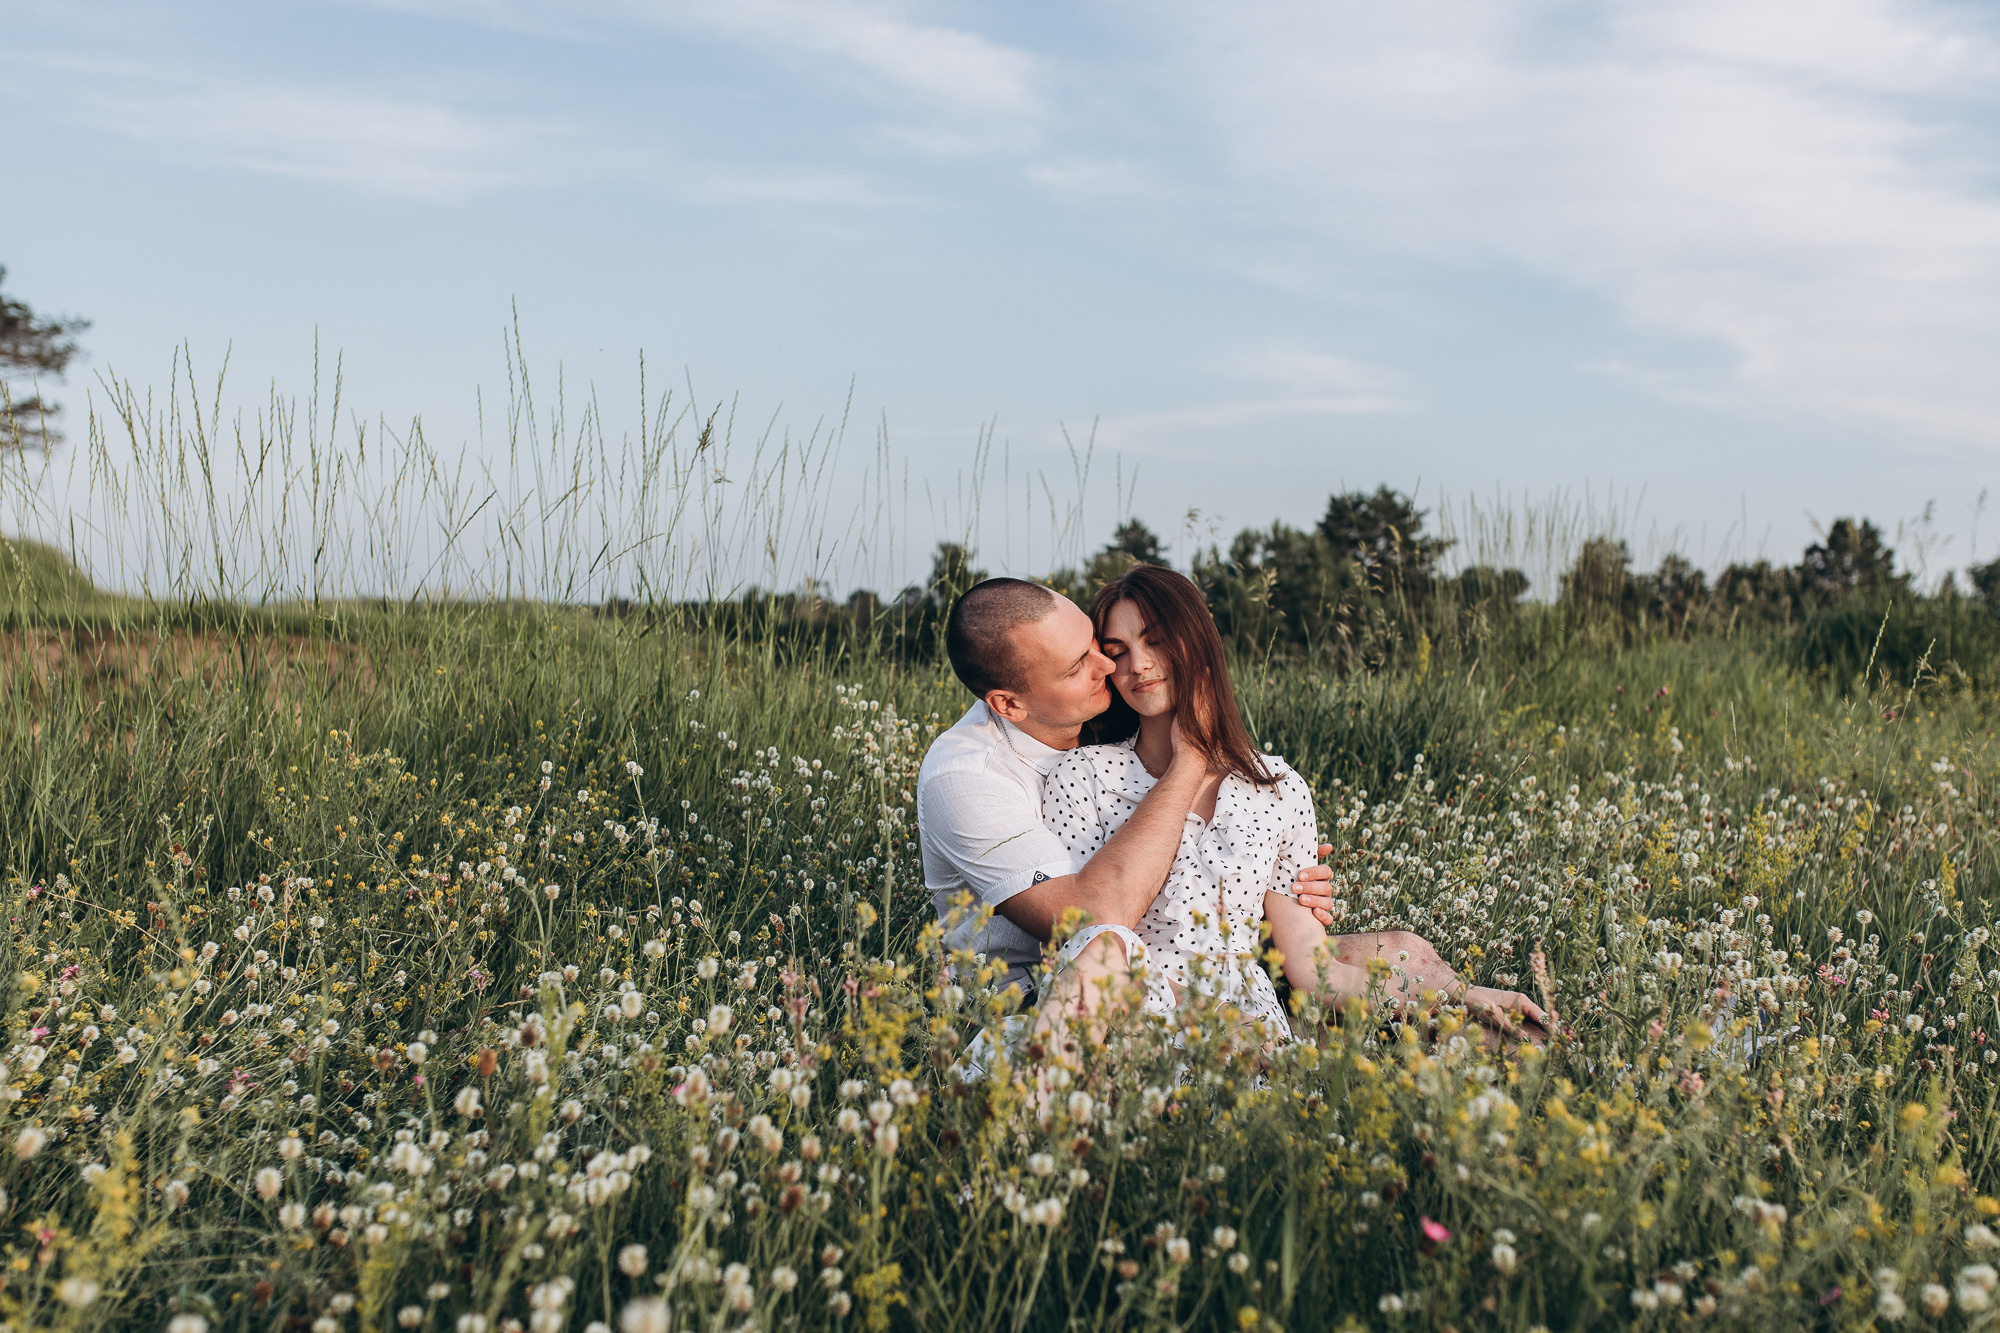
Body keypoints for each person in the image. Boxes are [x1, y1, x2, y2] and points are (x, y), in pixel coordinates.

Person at [1041, 563, 1552, 1044]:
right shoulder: (1083, 776)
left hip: (1241, 1020)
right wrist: (1187, 762)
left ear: (1196, 644)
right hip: (1131, 1014)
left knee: (1491, 1028)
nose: (1139, 664)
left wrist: (1463, 997)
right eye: (1119, 650)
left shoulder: (1279, 786)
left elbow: (1312, 969)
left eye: (1154, 640)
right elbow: (1082, 935)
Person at [916, 577, 1342, 1037]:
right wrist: (1189, 762)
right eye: (1080, 664)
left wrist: (1264, 877)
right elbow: (1093, 924)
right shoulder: (967, 776)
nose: (1113, 666)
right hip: (1037, 992)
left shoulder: (1094, 716)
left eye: (1097, 645)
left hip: (1197, 964)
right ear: (1009, 704)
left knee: (1403, 954)